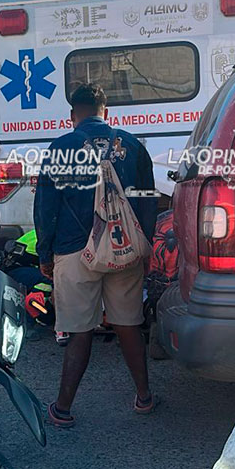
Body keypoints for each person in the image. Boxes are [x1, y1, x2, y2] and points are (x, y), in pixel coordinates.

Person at [34, 83, 158, 427]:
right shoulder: (132, 146)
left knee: (79, 331)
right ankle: (145, 398)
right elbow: (148, 199)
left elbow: (46, 207)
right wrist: (144, 246)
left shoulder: (60, 148)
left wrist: (45, 253)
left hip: (74, 252)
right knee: (129, 325)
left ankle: (63, 408)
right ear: (107, 114)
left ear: (73, 116)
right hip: (124, 248)